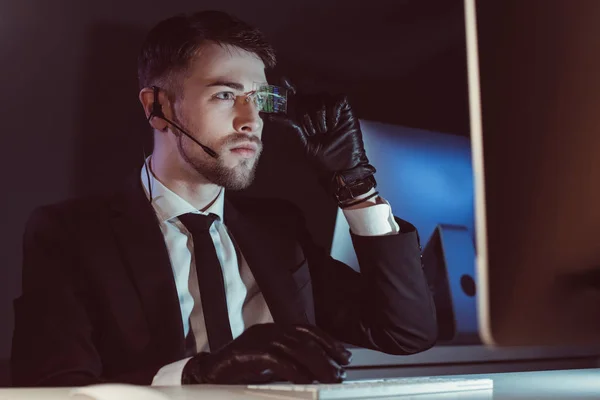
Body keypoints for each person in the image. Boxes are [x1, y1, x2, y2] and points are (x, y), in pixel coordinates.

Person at [10, 10, 437, 387]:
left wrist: (356, 184)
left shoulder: (278, 229)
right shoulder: (70, 234)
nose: (251, 121)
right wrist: (196, 373)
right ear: (157, 106)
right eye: (225, 95)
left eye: (259, 99)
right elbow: (53, 387)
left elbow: (404, 332)